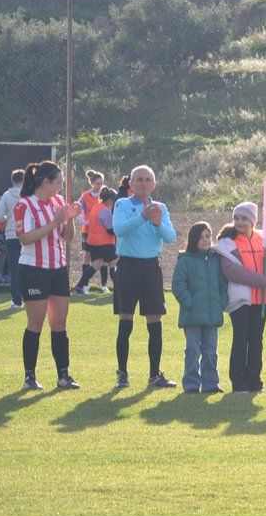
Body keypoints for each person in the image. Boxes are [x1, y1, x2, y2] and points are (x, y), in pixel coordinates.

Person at [12, 160, 83, 390]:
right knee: (35, 323)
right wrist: (55, 221)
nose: (60, 188)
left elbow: (67, 237)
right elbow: (25, 238)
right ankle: (29, 377)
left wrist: (69, 218)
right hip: (33, 269)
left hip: (57, 268)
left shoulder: (58, 202)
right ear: (45, 182)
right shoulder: (25, 205)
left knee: (59, 323)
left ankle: (63, 375)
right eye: (58, 183)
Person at [112, 165, 178, 389]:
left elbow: (170, 237)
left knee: (155, 322)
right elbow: (119, 230)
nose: (143, 183)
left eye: (147, 179)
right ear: (130, 184)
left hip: (150, 267)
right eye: (138, 179)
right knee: (125, 322)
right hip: (128, 267)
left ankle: (154, 375)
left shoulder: (161, 208)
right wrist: (142, 217)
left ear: (154, 184)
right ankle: (122, 374)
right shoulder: (122, 204)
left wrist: (157, 223)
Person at [215, 202, 266, 392]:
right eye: (236, 218)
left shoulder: (263, 239)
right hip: (240, 301)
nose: (239, 222)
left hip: (261, 301)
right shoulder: (228, 243)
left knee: (256, 340)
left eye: (244, 218)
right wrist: (261, 281)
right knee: (241, 339)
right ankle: (238, 382)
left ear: (253, 221)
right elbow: (232, 272)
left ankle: (254, 381)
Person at [172, 222, 228, 394]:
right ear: (194, 238)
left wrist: (221, 303)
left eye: (208, 236)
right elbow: (178, 285)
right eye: (202, 236)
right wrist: (189, 303)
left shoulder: (215, 260)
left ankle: (211, 384)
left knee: (211, 352)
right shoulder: (185, 260)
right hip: (193, 316)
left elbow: (222, 285)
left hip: (212, 315)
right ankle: (191, 384)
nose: (206, 240)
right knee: (193, 350)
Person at [75, 188, 117, 295]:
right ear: (110, 200)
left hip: (93, 242)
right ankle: (119, 288)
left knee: (96, 265)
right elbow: (110, 230)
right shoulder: (106, 211)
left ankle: (79, 286)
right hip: (105, 243)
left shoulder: (96, 207)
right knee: (114, 263)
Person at [0, 169, 25, 309]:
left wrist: (9, 218)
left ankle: (17, 300)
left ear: (12, 180)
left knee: (14, 268)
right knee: (29, 266)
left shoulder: (7, 195)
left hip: (12, 235)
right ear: (24, 180)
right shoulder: (29, 194)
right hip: (28, 234)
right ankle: (29, 297)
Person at [74, 169, 107, 295]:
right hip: (88, 231)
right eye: (97, 183)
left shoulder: (104, 194)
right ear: (91, 183)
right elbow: (76, 209)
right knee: (87, 256)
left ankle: (104, 285)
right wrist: (85, 221)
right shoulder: (85, 196)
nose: (99, 185)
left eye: (101, 183)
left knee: (103, 258)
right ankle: (85, 285)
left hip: (102, 231)